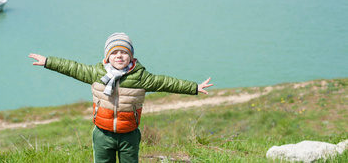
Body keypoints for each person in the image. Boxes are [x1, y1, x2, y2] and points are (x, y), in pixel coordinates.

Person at [29, 32, 213, 163]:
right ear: (107, 57)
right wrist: (48, 62)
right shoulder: (95, 74)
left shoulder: (141, 77)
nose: (119, 55)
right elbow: (72, 67)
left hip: (129, 135)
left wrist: (195, 88)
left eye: (124, 52)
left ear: (131, 56)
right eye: (114, 52)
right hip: (102, 133)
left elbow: (168, 83)